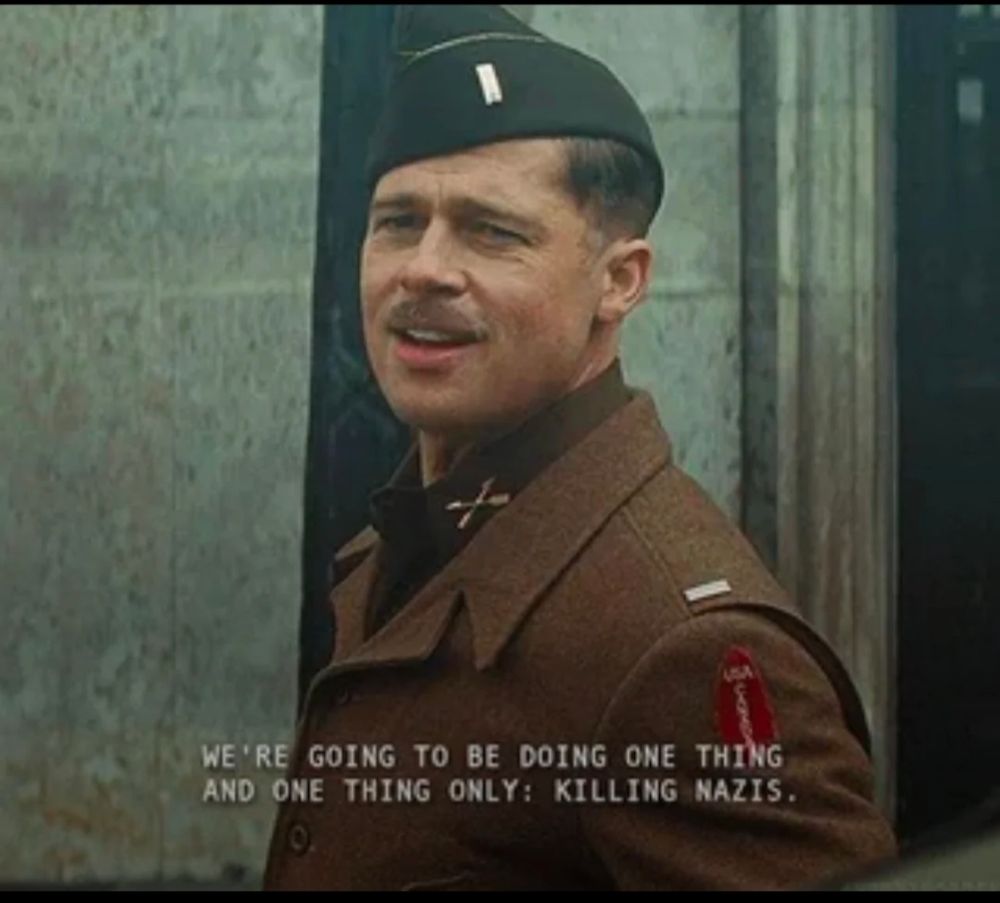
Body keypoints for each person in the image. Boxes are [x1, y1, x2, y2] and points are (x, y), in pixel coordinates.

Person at [264, 4, 896, 890]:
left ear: (620, 281)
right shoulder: (417, 537)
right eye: (398, 221)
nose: (423, 268)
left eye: (493, 231)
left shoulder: (679, 647)